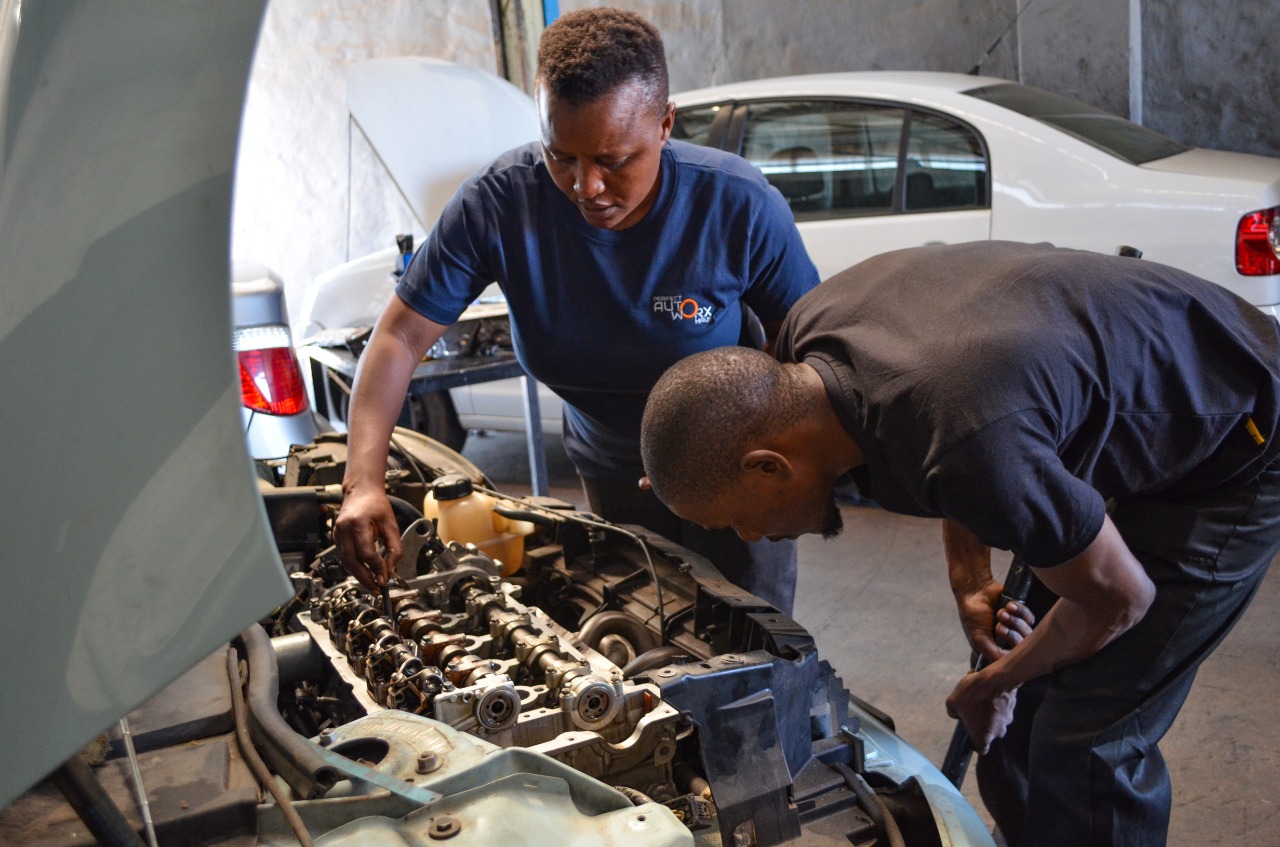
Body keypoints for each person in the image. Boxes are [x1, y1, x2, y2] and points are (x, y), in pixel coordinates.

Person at [639, 240, 1280, 847]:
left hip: (1238, 436)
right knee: (1024, 710)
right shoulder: (813, 343)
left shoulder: (972, 443)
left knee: (1087, 738)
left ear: (768, 466)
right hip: (1094, 403)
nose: (750, 536)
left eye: (736, 519)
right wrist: (971, 580)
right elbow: (947, 431)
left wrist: (992, 684)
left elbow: (1121, 600)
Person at [333, 7, 819, 613]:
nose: (585, 186)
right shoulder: (499, 205)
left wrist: (762, 465)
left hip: (734, 480)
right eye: (560, 156)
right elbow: (400, 337)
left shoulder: (736, 203)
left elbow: (805, 352)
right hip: (610, 471)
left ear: (665, 124)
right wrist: (363, 482)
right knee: (634, 629)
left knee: (748, 644)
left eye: (613, 161)